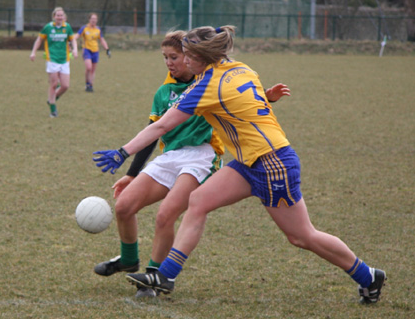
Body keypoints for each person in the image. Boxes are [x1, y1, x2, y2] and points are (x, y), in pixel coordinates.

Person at [93, 25, 386, 304]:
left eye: (187, 55)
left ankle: (369, 276)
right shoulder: (241, 68)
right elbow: (248, 104)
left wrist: (122, 152)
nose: (183, 59)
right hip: (249, 162)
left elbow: (161, 126)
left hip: (273, 164)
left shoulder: (207, 86)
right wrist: (268, 99)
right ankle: (165, 276)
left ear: (199, 58)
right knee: (198, 201)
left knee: (301, 236)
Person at [92, 30, 291, 298]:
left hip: (202, 156)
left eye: (174, 56)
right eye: (165, 57)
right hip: (170, 156)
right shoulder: (165, 90)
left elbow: (237, 101)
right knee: (124, 206)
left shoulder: (206, 81)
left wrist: (267, 97)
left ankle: (153, 276)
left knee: (166, 214)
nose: (169, 62)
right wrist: (131, 173)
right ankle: (128, 260)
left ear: (190, 58)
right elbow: (156, 129)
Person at [30, 7, 78, 118]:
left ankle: (52, 99)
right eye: (58, 15)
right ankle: (53, 110)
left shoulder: (67, 27)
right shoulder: (48, 27)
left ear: (63, 17)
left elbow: (73, 40)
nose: (60, 17)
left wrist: (75, 49)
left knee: (65, 86)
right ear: (54, 17)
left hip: (64, 59)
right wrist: (33, 52)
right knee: (54, 84)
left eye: (61, 15)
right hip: (52, 59)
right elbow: (39, 40)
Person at [74, 13, 111, 92]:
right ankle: (87, 83)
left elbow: (102, 40)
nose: (94, 20)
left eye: (95, 19)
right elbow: (76, 36)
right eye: (92, 19)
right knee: (88, 67)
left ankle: (90, 85)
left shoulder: (98, 29)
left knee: (93, 70)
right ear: (89, 19)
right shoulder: (84, 28)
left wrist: (107, 49)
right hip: (86, 50)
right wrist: (71, 41)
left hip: (95, 51)